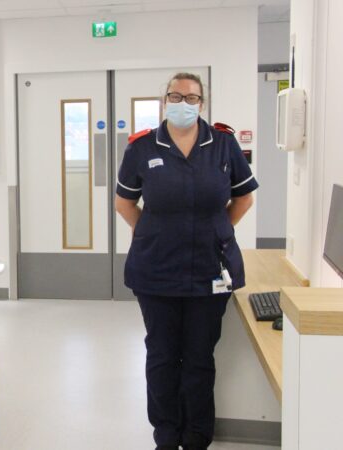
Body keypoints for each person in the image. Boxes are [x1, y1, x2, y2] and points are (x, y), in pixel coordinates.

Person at [115, 73, 258, 450]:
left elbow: (244, 198)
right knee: (162, 355)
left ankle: (196, 435)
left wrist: (217, 230)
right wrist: (151, 232)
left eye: (191, 97)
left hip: (210, 270)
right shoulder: (142, 147)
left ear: (202, 103)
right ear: (165, 100)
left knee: (199, 357)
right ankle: (165, 433)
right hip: (156, 271)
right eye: (175, 96)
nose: (183, 103)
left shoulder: (223, 144)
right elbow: (124, 203)